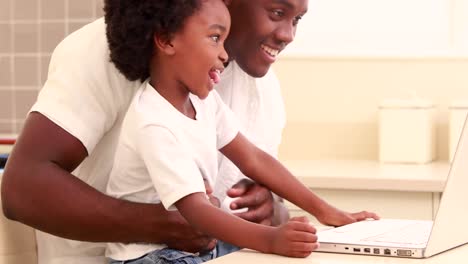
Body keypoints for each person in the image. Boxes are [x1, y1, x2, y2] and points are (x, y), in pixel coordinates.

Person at [0, 0, 378, 263]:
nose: (288, 35)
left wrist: (277, 210)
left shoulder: (244, 90)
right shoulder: (118, 72)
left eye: (297, 20)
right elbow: (21, 189)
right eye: (276, 12)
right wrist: (162, 225)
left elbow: (254, 163)